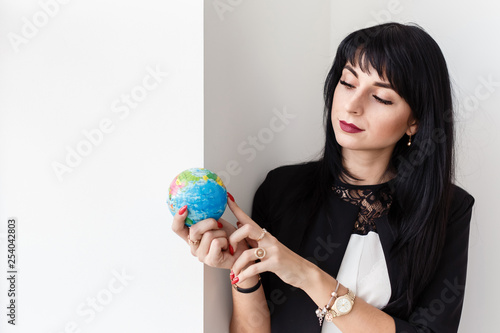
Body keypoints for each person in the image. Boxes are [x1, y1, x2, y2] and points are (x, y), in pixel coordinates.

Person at [172, 22, 474, 332]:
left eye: (381, 98)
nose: (352, 106)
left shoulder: (447, 208)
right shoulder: (281, 190)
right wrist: (242, 269)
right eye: (347, 83)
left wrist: (304, 273)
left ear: (415, 122)